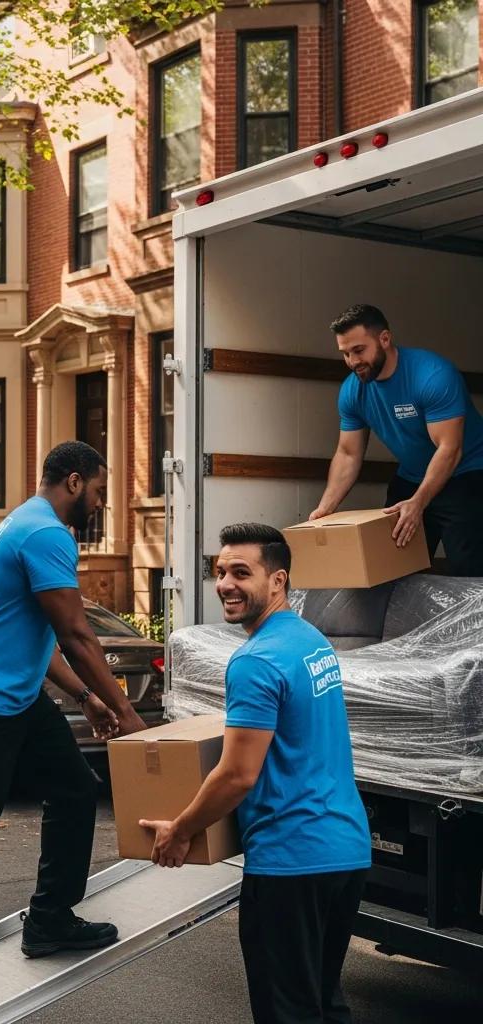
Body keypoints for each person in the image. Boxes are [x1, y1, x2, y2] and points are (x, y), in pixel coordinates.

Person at [0, 441, 147, 1024]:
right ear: (72, 482)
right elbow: (78, 636)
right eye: (97, 493)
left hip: (13, 695)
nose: (99, 505)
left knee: (74, 789)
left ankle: (49, 921)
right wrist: (129, 715)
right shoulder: (44, 534)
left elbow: (41, 638)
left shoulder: (29, 522)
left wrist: (87, 697)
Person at [141, 523, 371, 1024]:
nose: (225, 583)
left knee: (287, 1011)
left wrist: (181, 830)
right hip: (345, 850)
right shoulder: (310, 641)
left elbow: (237, 775)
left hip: (291, 861)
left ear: (278, 580)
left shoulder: (255, 661)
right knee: (323, 1003)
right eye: (220, 572)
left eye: (241, 572)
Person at [310, 303, 483, 576]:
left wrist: (418, 502)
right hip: (411, 476)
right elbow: (348, 454)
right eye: (345, 354)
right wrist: (325, 508)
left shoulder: (433, 376)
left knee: (468, 570)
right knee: (393, 568)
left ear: (385, 339)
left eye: (358, 350)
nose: (353, 362)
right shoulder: (353, 391)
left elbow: (450, 449)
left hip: (465, 475)